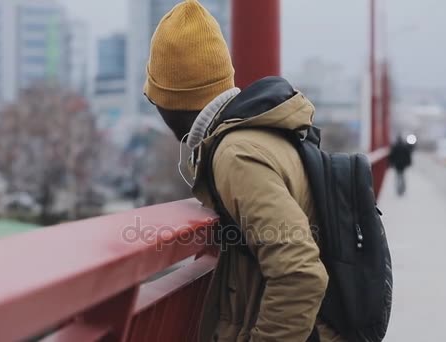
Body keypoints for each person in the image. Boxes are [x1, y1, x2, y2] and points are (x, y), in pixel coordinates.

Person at [143, 1, 343, 341]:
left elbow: (300, 272)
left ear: (168, 101)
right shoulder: (256, 136)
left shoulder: (236, 156)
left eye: (155, 97)